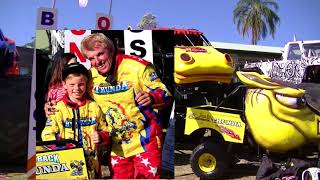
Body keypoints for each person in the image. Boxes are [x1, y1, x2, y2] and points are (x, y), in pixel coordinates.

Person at [80, 33, 173, 179]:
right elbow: (80, 99)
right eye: (91, 58)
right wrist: (52, 106)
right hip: (118, 148)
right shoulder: (90, 76)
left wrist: (151, 97)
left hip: (146, 143)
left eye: (100, 54)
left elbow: (166, 94)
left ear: (111, 50)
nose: (97, 61)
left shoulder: (138, 67)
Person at [42, 63, 110, 179]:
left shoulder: (94, 107)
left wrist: (101, 136)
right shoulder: (58, 108)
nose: (76, 88)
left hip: (92, 164)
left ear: (87, 84)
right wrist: (65, 146)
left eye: (81, 84)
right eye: (72, 84)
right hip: (67, 162)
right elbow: (46, 135)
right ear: (64, 85)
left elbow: (106, 129)